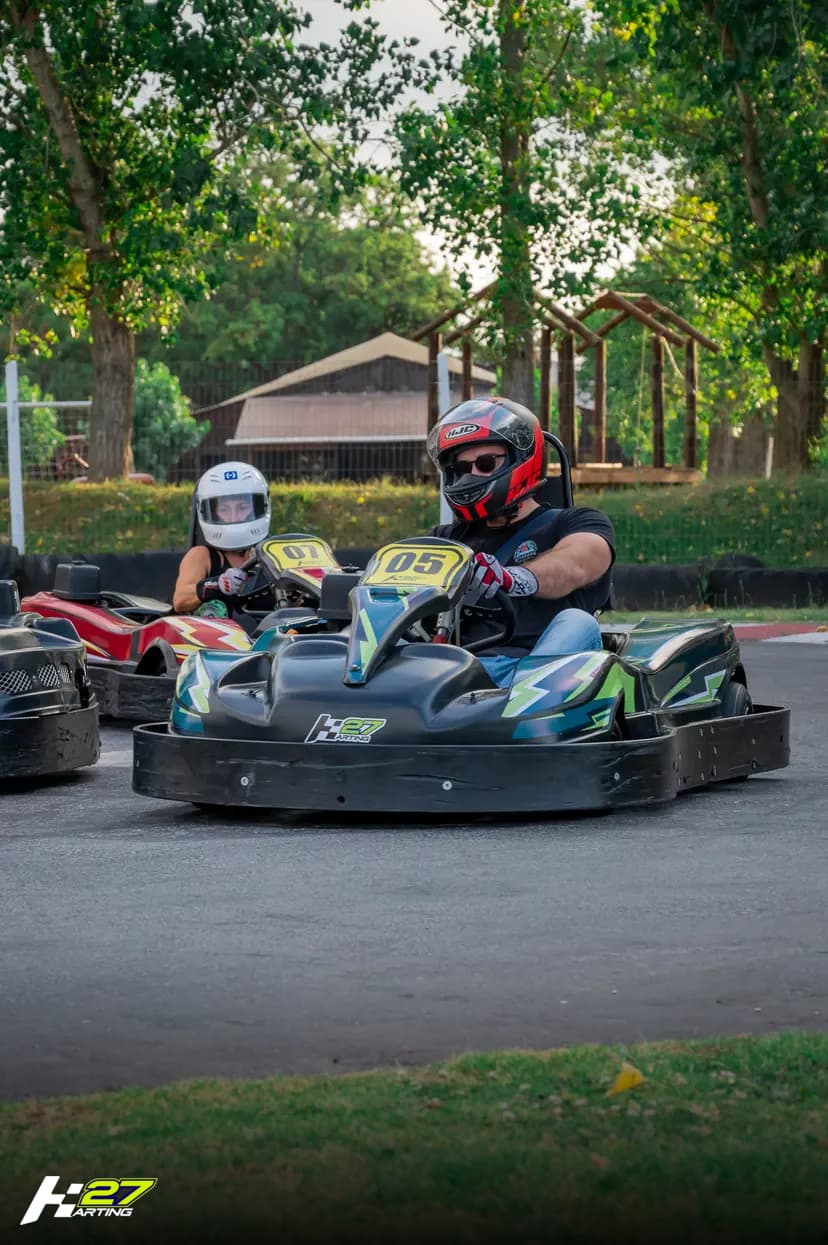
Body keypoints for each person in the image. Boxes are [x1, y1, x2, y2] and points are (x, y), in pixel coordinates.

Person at [426, 397, 615, 688]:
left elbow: (577, 563)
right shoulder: (444, 541)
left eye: (486, 463)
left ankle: (520, 711)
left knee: (578, 622)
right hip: (453, 675)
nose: (471, 476)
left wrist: (514, 577)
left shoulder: (575, 523)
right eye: (463, 468)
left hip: (531, 672)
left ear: (521, 458)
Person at [173, 461, 271, 618]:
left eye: (243, 507)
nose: (233, 517)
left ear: (260, 507)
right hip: (217, 640)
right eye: (224, 509)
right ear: (211, 512)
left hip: (272, 637)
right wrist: (217, 584)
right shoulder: (201, 555)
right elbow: (179, 600)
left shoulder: (273, 551)